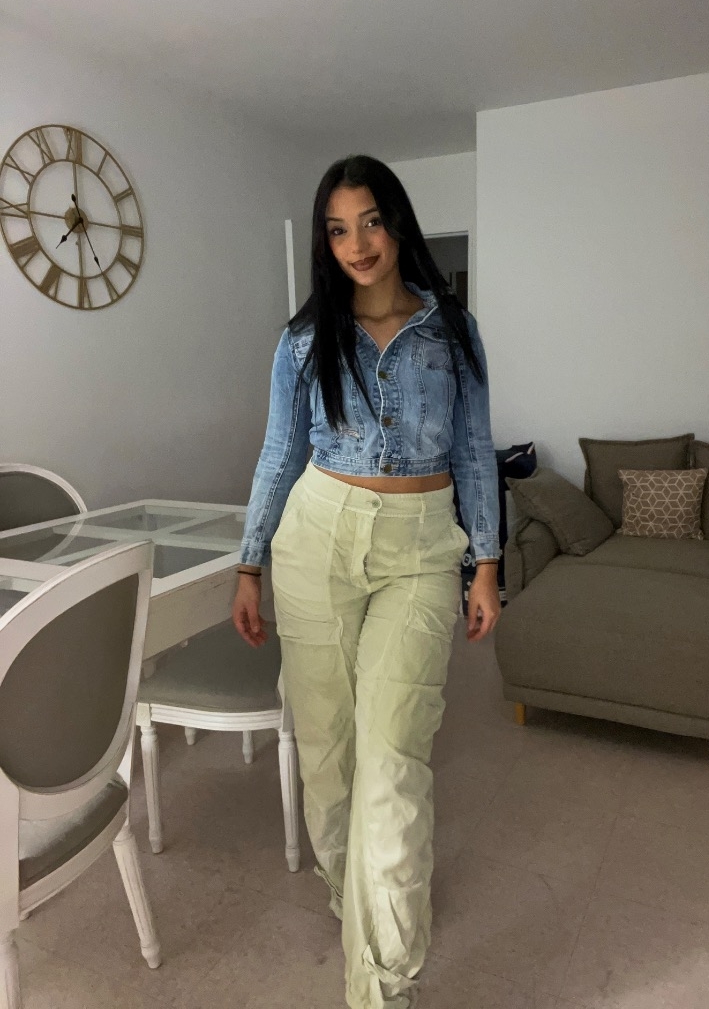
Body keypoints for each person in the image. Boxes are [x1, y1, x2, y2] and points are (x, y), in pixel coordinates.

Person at [232, 154, 501, 1009]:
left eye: (372, 221)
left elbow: (475, 451)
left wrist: (486, 564)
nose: (357, 243)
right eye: (338, 228)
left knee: (393, 761)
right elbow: (280, 453)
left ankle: (382, 984)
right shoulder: (303, 339)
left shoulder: (452, 330)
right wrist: (249, 561)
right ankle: (356, 902)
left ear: (398, 224)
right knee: (329, 755)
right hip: (316, 537)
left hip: (421, 548)